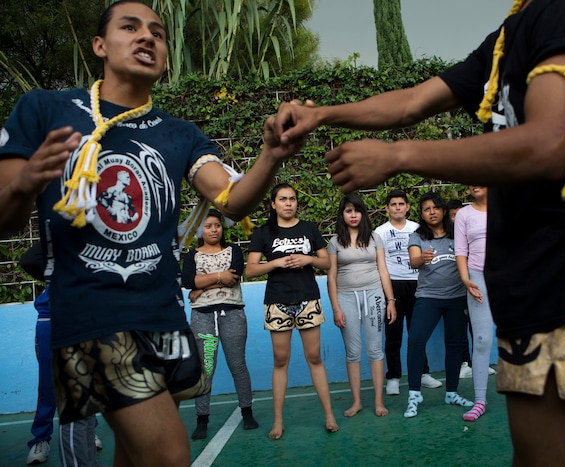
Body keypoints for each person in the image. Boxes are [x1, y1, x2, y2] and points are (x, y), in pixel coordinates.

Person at [272, 0, 565, 463]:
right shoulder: (513, 31)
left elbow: (551, 143)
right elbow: (414, 101)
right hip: (541, 286)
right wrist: (324, 114)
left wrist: (398, 157)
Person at [0, 1, 305, 464]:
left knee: (135, 453)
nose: (147, 37)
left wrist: (271, 155)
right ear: (100, 45)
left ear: (164, 57)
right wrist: (24, 184)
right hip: (92, 316)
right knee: (168, 452)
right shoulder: (45, 109)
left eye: (157, 33)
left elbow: (232, 200)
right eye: (130, 27)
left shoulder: (180, 134)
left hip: (165, 316)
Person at [245, 183, 338, 439]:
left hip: (307, 298)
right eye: (283, 199)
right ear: (273, 204)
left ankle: (329, 415)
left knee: (315, 357)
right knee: (280, 360)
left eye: (293, 199)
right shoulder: (263, 233)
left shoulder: (309, 228)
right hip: (277, 301)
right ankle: (278, 421)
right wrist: (275, 263)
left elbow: (326, 262)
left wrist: (308, 259)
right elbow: (250, 270)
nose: (289, 203)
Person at [181, 209, 259, 440]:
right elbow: (187, 281)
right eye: (208, 226)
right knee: (205, 369)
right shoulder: (191, 255)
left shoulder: (233, 250)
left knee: (237, 364)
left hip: (232, 313)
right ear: (199, 230)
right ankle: (202, 419)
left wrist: (202, 286)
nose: (214, 229)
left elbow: (234, 276)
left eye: (217, 225)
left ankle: (247, 412)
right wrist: (218, 278)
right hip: (202, 317)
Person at [20, 244, 99, 466]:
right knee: (48, 384)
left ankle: (88, 433)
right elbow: (28, 260)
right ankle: (41, 439)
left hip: (84, 321)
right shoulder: (56, 241)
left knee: (87, 382)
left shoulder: (97, 247)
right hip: (51, 321)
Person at [327, 193, 397, 417]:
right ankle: (356, 402)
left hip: (374, 296)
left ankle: (378, 401)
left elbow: (383, 270)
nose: (353, 215)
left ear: (363, 213)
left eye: (357, 210)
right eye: (348, 211)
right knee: (353, 352)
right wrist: (336, 308)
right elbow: (331, 276)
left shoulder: (375, 238)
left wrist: (391, 300)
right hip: (346, 298)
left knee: (375, 349)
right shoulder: (334, 242)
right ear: (343, 215)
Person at [404, 191, 471, 418]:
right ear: (421, 214)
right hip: (428, 298)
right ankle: (414, 394)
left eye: (435, 208)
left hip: (457, 298)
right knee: (416, 340)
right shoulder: (417, 236)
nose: (431, 212)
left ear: (443, 210)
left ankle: (451, 392)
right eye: (426, 209)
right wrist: (421, 258)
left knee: (454, 345)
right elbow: (413, 260)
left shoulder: (457, 235)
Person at [374, 189, 442, 396]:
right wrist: (388, 295)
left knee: (417, 333)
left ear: (408, 207)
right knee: (393, 334)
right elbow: (379, 263)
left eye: (401, 204)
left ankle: (423, 374)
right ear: (387, 208)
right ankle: (393, 377)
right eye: (393, 204)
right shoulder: (379, 232)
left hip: (417, 283)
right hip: (392, 285)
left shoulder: (418, 229)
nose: (397, 208)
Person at [454, 186, 494, 421]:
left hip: (507, 279)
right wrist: (466, 279)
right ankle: (480, 401)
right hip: (477, 279)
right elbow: (461, 251)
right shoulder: (464, 214)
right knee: (481, 340)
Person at [447, 198, 475, 379]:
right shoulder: (448, 237)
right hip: (454, 289)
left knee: (476, 324)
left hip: (474, 284)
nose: (457, 219)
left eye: (459, 214)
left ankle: (476, 362)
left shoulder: (471, 232)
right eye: (453, 216)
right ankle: (464, 362)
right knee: (460, 326)